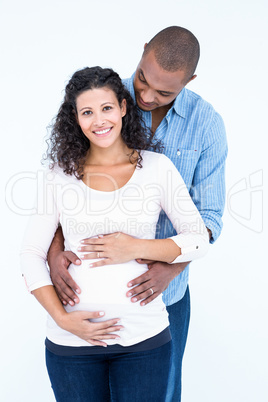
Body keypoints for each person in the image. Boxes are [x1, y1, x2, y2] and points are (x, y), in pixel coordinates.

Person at [47, 26, 228, 401]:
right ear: (143, 51)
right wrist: (52, 251)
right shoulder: (105, 100)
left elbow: (208, 218)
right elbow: (63, 186)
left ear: (189, 80)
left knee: (162, 394)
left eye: (164, 92)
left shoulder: (206, 124)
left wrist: (170, 268)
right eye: (143, 79)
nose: (145, 95)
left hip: (165, 294)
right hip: (87, 299)